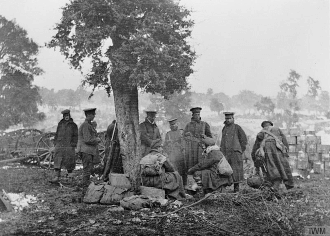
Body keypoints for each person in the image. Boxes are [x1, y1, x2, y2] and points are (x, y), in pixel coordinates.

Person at [251, 121, 294, 191]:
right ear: (271, 125)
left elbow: (256, 147)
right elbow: (284, 141)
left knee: (271, 167)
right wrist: (286, 152)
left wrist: (254, 158)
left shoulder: (261, 132)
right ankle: (285, 185)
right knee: (282, 166)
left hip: (267, 151)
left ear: (263, 126)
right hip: (278, 150)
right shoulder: (277, 129)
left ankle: (274, 186)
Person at [183, 107, 212, 184]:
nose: (197, 116)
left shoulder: (204, 125)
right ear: (192, 115)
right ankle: (193, 186)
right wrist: (186, 135)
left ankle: (201, 185)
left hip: (201, 150)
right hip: (191, 150)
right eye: (195, 114)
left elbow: (210, 138)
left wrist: (205, 137)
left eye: (198, 114)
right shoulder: (188, 125)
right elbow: (183, 137)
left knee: (200, 166)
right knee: (191, 167)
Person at [220, 112, 247, 192]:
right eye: (226, 119)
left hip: (235, 153)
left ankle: (236, 189)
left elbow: (244, 140)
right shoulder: (224, 128)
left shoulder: (237, 127)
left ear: (233, 119)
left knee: (236, 171)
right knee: (225, 170)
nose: (227, 120)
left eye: (229, 118)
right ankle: (223, 188)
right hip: (225, 153)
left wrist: (239, 150)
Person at [50, 109, 78, 183]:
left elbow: (75, 136)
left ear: (69, 115)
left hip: (69, 146)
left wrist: (73, 144)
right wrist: (56, 143)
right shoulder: (60, 124)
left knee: (69, 161)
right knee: (57, 160)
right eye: (65, 116)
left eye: (67, 115)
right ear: (63, 116)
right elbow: (57, 134)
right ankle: (56, 177)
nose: (66, 117)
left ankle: (70, 178)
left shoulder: (73, 125)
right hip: (60, 145)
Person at [76, 108, 101, 190]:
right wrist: (97, 140)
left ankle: (85, 185)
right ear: (89, 115)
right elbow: (87, 139)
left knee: (88, 169)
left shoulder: (88, 125)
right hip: (86, 151)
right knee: (87, 170)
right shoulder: (86, 125)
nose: (94, 116)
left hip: (88, 151)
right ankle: (85, 187)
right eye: (93, 114)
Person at [163, 118, 186, 183]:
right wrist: (168, 149)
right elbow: (165, 145)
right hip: (172, 155)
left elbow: (184, 143)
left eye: (174, 124)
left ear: (177, 124)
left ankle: (184, 184)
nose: (172, 126)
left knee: (183, 170)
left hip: (180, 154)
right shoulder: (168, 134)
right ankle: (175, 184)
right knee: (174, 170)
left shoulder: (181, 132)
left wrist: (182, 148)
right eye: (171, 125)